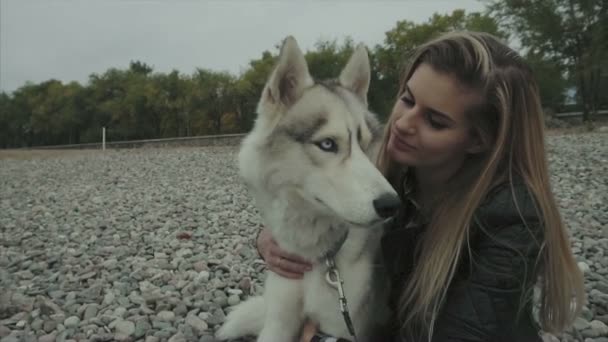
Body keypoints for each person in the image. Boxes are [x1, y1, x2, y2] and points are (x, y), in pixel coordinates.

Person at [255, 31, 586, 342]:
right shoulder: (384, 171)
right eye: (408, 99)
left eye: (435, 121)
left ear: (478, 140)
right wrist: (272, 236)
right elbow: (298, 190)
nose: (402, 123)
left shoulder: (511, 218)